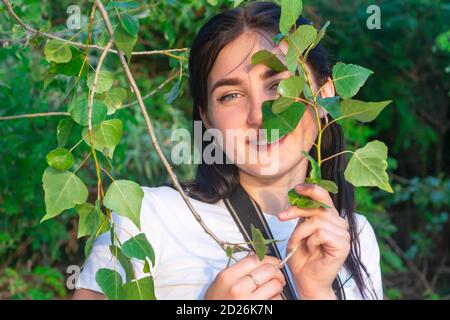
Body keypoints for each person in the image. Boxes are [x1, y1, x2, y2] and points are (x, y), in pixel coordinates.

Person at [73, 1, 382, 300]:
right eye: (231, 95)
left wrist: (316, 293)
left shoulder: (353, 235)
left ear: (324, 96)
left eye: (278, 87)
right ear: (206, 117)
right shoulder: (146, 217)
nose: (259, 115)